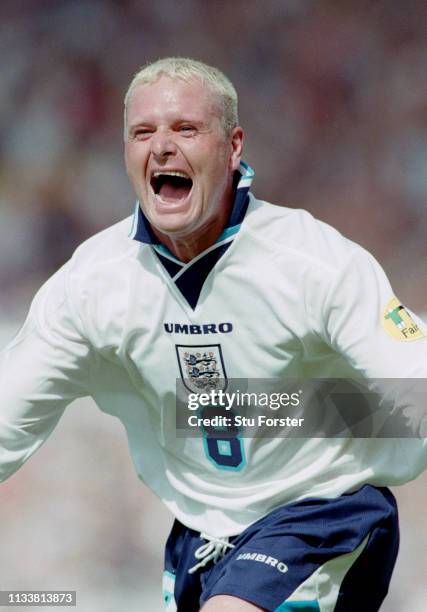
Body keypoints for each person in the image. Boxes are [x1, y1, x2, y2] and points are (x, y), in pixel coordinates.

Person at [1, 57, 426, 612]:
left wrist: (309, 417)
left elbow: (414, 384)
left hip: (324, 513)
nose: (161, 146)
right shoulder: (91, 284)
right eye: (142, 132)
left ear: (232, 147)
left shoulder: (313, 261)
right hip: (199, 540)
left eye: (185, 128)